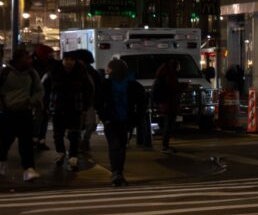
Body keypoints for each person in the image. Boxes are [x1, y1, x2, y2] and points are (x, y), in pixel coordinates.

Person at [0, 49, 43, 181]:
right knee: (5, 140)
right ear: (18, 59)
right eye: (26, 58)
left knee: (26, 142)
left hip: (25, 111)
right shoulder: (3, 72)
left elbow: (39, 90)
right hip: (7, 112)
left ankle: (29, 169)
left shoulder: (32, 73)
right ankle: (1, 161)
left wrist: (31, 102)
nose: (29, 60)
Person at [95, 58, 147, 187]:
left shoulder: (106, 83)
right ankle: (118, 172)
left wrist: (104, 117)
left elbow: (97, 102)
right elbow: (142, 103)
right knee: (121, 147)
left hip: (112, 120)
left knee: (114, 146)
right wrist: (135, 119)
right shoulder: (132, 84)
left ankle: (116, 172)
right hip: (125, 120)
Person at [46, 51, 96, 169]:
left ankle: (73, 157)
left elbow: (89, 90)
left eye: (72, 60)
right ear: (62, 60)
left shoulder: (81, 73)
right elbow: (45, 89)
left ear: (75, 61)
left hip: (75, 107)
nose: (69, 62)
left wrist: (85, 106)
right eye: (66, 59)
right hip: (57, 107)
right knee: (58, 133)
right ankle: (61, 152)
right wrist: (46, 105)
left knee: (74, 133)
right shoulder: (54, 71)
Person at [149, 60, 182, 152]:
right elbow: (175, 88)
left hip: (165, 103)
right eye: (179, 66)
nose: (180, 68)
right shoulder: (170, 77)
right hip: (169, 103)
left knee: (168, 124)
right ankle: (165, 145)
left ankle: (165, 145)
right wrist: (184, 86)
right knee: (169, 125)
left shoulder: (164, 76)